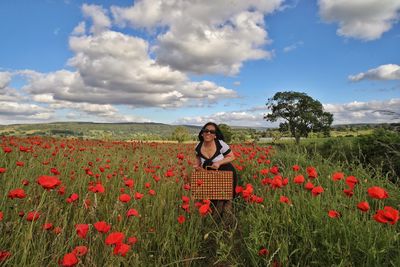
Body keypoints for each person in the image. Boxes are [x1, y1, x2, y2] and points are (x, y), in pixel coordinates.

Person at [193, 122, 238, 221]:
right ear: (202, 133)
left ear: (215, 135)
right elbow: (198, 162)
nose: (208, 133)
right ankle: (213, 221)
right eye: (206, 131)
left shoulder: (220, 143)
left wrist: (219, 162)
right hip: (210, 174)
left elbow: (232, 156)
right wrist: (197, 166)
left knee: (226, 199)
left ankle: (226, 222)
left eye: (212, 131)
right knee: (212, 199)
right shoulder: (197, 147)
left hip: (225, 172)